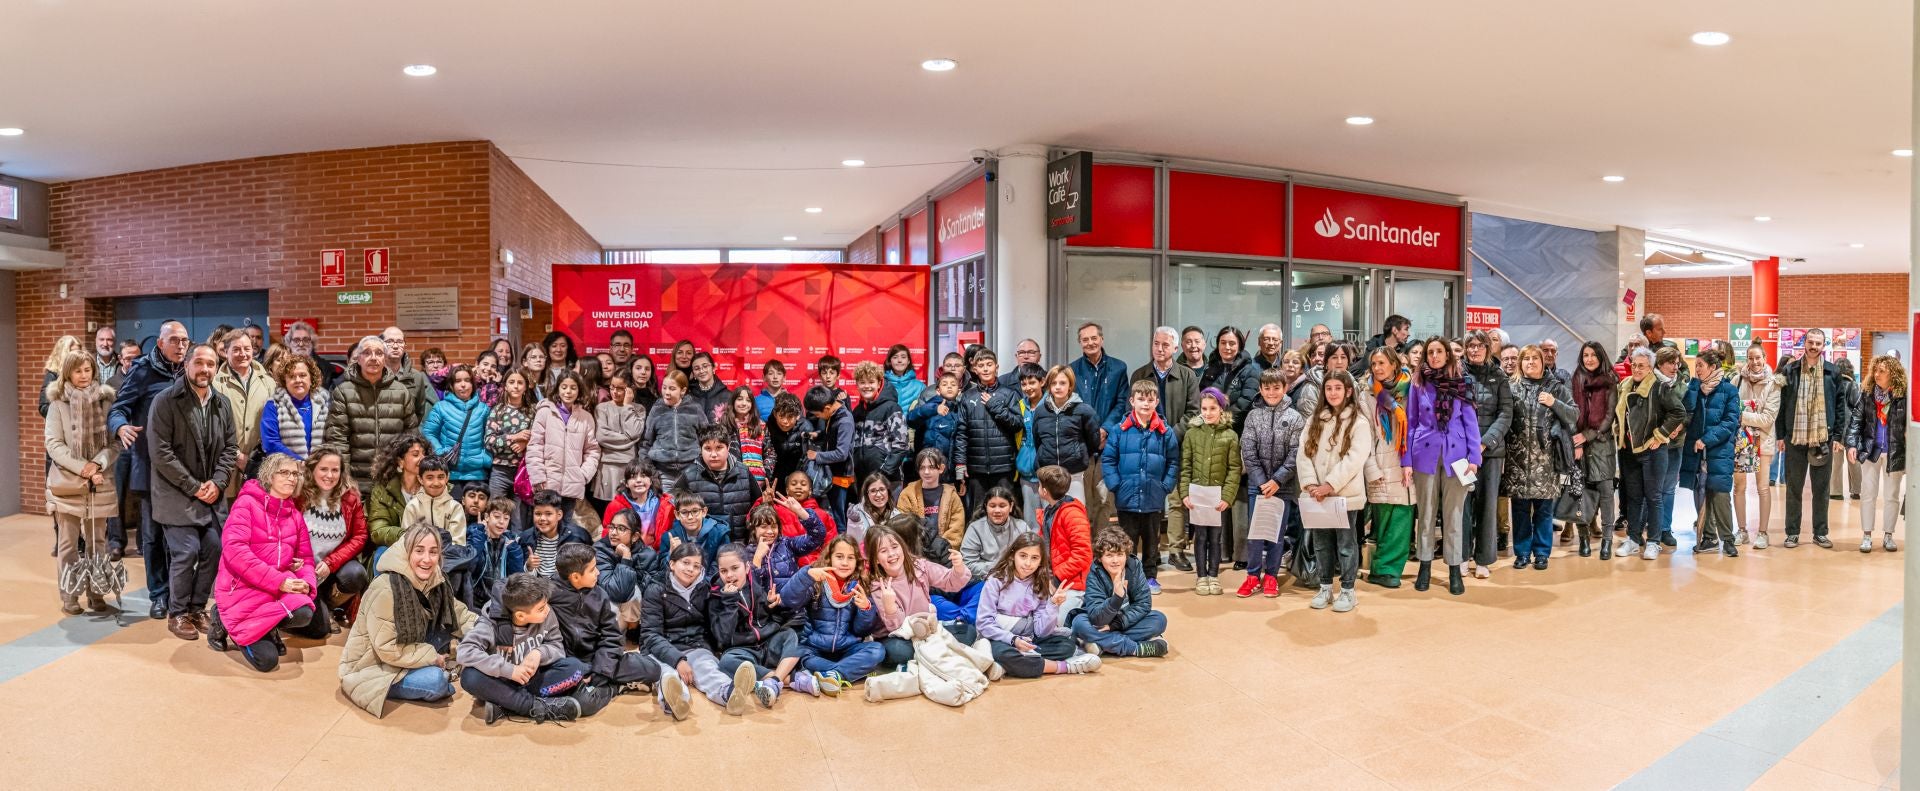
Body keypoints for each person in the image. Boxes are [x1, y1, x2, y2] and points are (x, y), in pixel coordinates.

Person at [149, 343, 239, 640]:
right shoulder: (165, 401)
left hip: (211, 494)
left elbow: (229, 448)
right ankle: (177, 613)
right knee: (186, 552)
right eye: (199, 362)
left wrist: (218, 482)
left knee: (214, 548)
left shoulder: (222, 403)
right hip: (176, 493)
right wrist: (194, 486)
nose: (205, 369)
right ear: (187, 364)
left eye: (211, 364)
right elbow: (161, 453)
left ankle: (198, 607)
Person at [339, 524, 476, 717]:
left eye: (433, 552)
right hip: (375, 666)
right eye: (419, 551)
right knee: (436, 682)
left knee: (470, 633)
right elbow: (387, 648)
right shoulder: (386, 588)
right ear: (406, 551)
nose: (427, 559)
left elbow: (459, 614)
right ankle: (436, 668)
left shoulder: (435, 578)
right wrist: (431, 657)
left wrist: (486, 632)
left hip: (411, 646)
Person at [204, 454, 319, 670]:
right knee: (267, 661)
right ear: (269, 475)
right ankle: (222, 617)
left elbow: (306, 559)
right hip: (242, 587)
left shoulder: (294, 513)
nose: (291, 478)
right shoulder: (246, 504)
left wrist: (306, 582)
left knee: (304, 612)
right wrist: (280, 581)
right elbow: (235, 551)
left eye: (295, 473)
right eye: (284, 472)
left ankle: (267, 626)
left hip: (273, 588)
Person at [548, 544, 683, 719]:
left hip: (598, 660)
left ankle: (606, 684)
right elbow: (502, 589)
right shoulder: (548, 593)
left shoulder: (599, 594)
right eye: (592, 569)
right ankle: (615, 688)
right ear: (575, 576)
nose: (598, 572)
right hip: (569, 665)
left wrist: (600, 671)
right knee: (584, 704)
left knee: (652, 669)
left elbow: (611, 636)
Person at [109, 319, 188, 617]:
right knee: (153, 536)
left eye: (184, 341)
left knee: (179, 536)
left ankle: (180, 593)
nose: (181, 346)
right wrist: (121, 427)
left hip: (183, 469)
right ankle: (159, 594)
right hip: (151, 467)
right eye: (175, 341)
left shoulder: (190, 370)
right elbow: (118, 408)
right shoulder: (143, 370)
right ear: (160, 344)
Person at [639, 541, 757, 716]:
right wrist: (678, 660)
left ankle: (729, 693)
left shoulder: (705, 588)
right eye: (685, 563)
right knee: (668, 674)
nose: (690, 569)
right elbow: (651, 635)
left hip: (695, 645)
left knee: (707, 667)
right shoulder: (655, 589)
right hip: (661, 648)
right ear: (672, 564)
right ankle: (677, 701)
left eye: (696, 566)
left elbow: (717, 626)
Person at [43, 350, 120, 614]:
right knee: (68, 543)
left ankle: (97, 592)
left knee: (98, 542)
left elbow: (115, 443)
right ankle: (70, 595)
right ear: (68, 373)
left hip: (100, 480)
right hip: (68, 481)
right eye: (78, 371)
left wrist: (97, 464)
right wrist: (83, 468)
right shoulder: (57, 404)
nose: (84, 375)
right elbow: (53, 444)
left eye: (88, 370)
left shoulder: (106, 402)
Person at [456, 573, 588, 724]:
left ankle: (506, 706)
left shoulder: (547, 614)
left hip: (532, 681)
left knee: (575, 668)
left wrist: (539, 653)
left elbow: (557, 646)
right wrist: (509, 670)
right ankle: (533, 707)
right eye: (540, 609)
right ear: (520, 615)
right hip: (501, 682)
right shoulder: (491, 623)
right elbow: (464, 651)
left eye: (546, 604)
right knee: (470, 677)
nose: (547, 610)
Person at [1404, 337, 1479, 596]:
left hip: (1457, 456)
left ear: (1448, 355)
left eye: (1439, 351)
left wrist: (1474, 458)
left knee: (1454, 516)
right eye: (1430, 352)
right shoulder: (1418, 383)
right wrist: (1406, 461)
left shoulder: (1463, 383)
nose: (1434, 356)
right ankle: (1424, 565)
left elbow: (1471, 422)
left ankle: (1454, 569)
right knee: (1425, 514)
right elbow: (1411, 422)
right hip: (1424, 453)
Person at [707, 543, 819, 706]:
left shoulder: (754, 583)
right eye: (724, 571)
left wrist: (770, 604)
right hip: (743, 650)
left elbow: (765, 618)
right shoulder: (716, 597)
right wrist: (729, 602)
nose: (729, 575)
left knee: (792, 636)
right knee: (726, 662)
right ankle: (791, 679)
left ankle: (773, 682)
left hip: (768, 643)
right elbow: (723, 637)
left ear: (746, 567)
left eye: (734, 568)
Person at [976, 533, 1101, 678]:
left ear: (1041, 561)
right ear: (1012, 555)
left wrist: (1053, 605)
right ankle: (1063, 666)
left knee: (1066, 646)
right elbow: (983, 623)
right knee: (1002, 653)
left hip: (1029, 639)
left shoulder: (1040, 583)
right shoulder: (996, 580)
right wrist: (1013, 639)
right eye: (1023, 556)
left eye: (1034, 558)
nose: (1028, 563)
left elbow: (1041, 631)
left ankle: (1010, 666)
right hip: (1002, 638)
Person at [1297, 369, 1371, 612]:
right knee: (1321, 544)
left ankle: (1348, 590)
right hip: (1316, 496)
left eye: (1338, 388)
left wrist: (1329, 485)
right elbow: (1303, 453)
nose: (1333, 393)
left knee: (1346, 545)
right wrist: (1310, 484)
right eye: (1329, 388)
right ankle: (1325, 586)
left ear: (1348, 391)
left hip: (1343, 497)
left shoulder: (1359, 422)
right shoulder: (1315, 420)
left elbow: (1355, 459)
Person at [1102, 380, 1180, 595]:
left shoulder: (1165, 432)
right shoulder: (1119, 430)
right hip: (1126, 496)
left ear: (1156, 402)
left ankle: (1150, 576)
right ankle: (1127, 576)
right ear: (1132, 401)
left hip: (1153, 496)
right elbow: (1108, 459)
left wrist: (1165, 485)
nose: (1145, 404)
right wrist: (1115, 484)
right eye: (1141, 399)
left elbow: (1173, 461)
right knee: (1127, 540)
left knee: (1151, 540)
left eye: (1150, 399)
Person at [1776, 329, 1850, 549]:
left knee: (1821, 489)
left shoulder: (1832, 372)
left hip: (1822, 439)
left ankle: (1820, 532)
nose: (1814, 346)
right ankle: (1792, 533)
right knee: (1793, 488)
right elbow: (1781, 405)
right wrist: (1781, 435)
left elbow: (1839, 407)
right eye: (1811, 342)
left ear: (1823, 346)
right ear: (1804, 343)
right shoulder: (1790, 371)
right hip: (1795, 438)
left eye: (1818, 343)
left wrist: (1838, 436)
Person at [865, 520, 975, 669]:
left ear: (902, 547)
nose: (891, 554)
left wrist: (958, 567)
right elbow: (896, 627)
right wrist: (889, 606)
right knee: (899, 651)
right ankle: (933, 653)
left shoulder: (919, 566)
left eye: (894, 547)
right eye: (883, 551)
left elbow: (950, 583)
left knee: (968, 632)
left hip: (925, 631)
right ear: (876, 559)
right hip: (897, 636)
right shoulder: (877, 585)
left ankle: (927, 653)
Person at [778, 536, 883, 688]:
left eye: (850, 558)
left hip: (847, 650)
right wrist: (806, 576)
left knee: (877, 650)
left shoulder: (860, 586)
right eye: (839, 557)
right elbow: (787, 599)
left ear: (857, 562)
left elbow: (861, 631)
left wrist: (865, 609)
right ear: (830, 558)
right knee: (802, 656)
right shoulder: (816, 580)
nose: (845, 563)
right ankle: (843, 673)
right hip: (814, 649)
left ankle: (828, 675)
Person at [1506, 345, 1577, 569]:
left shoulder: (1556, 387)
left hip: (1546, 460)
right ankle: (1522, 552)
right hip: (1517, 460)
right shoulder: (1512, 387)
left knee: (1544, 510)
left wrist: (1554, 403)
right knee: (1519, 510)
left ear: (1542, 361)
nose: (1530, 362)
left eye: (1534, 358)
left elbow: (1574, 414)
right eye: (1525, 358)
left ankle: (1542, 552)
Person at [1616, 347, 1688, 560]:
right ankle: (1633, 539)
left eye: (1642, 366)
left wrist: (1659, 435)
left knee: (1654, 497)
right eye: (1634, 365)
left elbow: (1678, 413)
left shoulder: (1659, 387)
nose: (1637, 369)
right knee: (1634, 497)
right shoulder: (1625, 385)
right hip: (1629, 451)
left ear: (1650, 368)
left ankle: (1654, 542)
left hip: (1653, 452)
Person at [1237, 367, 1303, 598]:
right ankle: (1253, 575)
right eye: (1267, 388)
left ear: (1285, 388)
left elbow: (1296, 454)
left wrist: (1277, 480)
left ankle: (1272, 576)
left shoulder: (1295, 418)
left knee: (1276, 532)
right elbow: (1248, 450)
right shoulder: (1254, 416)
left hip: (1282, 487)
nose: (1272, 392)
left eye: (1277, 388)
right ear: (1260, 389)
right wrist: (1262, 482)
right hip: (1258, 487)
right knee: (1256, 532)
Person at [326, 335, 422, 490]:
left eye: (379, 353)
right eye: (367, 353)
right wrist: (343, 477)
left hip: (393, 479)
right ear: (358, 358)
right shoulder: (343, 392)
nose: (373, 357)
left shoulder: (401, 391)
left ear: (385, 358)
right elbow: (337, 439)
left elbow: (411, 436)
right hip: (356, 481)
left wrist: (407, 473)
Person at [1460, 330, 1515, 577]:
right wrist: (1467, 445)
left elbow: (1506, 413)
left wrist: (1483, 444)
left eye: (1479, 346)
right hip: (1460, 453)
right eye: (1470, 346)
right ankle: (1460, 557)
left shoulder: (1499, 377)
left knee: (1487, 505)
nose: (1474, 350)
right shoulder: (1457, 375)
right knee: (1462, 506)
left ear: (1488, 348)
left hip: (1490, 453)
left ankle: (1483, 559)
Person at [1069, 525, 1170, 658]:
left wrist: (1116, 625)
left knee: (1159, 619)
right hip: (1100, 622)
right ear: (1100, 558)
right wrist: (1117, 597)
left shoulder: (1134, 566)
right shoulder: (1095, 573)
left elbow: (1143, 604)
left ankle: (1102, 644)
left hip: (1124, 622)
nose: (1115, 561)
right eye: (1109, 555)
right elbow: (1096, 617)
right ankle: (1136, 648)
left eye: (1120, 554)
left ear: (1126, 555)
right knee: (1079, 623)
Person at [1359, 346, 1415, 586]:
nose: (1378, 368)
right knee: (1383, 521)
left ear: (1394, 364)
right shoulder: (1367, 395)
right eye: (1374, 364)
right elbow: (1365, 435)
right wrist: (1371, 468)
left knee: (1402, 518)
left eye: (1382, 363)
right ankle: (1380, 569)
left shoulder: (1412, 390)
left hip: (1406, 465)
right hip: (1381, 464)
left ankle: (1390, 570)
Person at [1179, 388, 1240, 595]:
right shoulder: (1191, 434)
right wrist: (1185, 493)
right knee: (1200, 537)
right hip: (1197, 496)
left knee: (1216, 538)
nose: (1207, 413)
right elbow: (1185, 465)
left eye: (1212, 408)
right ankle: (1201, 576)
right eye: (1204, 408)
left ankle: (1214, 575)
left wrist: (1227, 496)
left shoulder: (1230, 436)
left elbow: (1234, 469)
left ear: (1221, 409)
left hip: (1217, 499)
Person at [299, 447, 370, 626]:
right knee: (319, 628)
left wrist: (331, 563)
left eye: (335, 470)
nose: (329, 475)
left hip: (331, 569)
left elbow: (360, 535)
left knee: (356, 574)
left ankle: (329, 605)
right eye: (323, 469)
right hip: (301, 570)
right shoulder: (298, 494)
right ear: (312, 469)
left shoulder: (350, 497)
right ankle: (316, 609)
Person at [1682, 349, 1742, 557]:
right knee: (1700, 494)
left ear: (1713, 367)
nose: (1696, 369)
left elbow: (1730, 422)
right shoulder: (1695, 388)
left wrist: (1706, 439)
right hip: (1696, 452)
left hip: (1719, 451)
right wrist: (1692, 388)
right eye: (1695, 365)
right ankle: (1708, 538)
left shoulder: (1729, 391)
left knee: (1720, 495)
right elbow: (1686, 410)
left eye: (1700, 365)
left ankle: (1728, 539)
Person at [1072, 322, 1131, 526]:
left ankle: (1101, 548)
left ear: (1102, 339)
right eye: (1085, 339)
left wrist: (1105, 429)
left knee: (1105, 499)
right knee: (1083, 499)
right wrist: (1091, 433)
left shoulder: (1119, 368)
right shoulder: (1073, 370)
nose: (1090, 343)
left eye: (1094, 338)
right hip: (1082, 444)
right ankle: (1085, 549)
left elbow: (1122, 402)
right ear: (1080, 343)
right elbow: (1074, 405)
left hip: (1109, 443)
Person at [952, 350, 1021, 519]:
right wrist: (960, 464)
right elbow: (961, 433)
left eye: (989, 365)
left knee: (1006, 510)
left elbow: (1017, 424)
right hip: (976, 467)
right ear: (974, 369)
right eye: (981, 365)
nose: (985, 369)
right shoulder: (967, 397)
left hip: (1004, 466)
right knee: (978, 512)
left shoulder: (1009, 394)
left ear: (996, 367)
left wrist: (994, 406)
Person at [1848, 354, 1906, 553]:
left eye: (1882, 370)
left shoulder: (1902, 396)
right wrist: (1851, 444)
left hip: (1894, 452)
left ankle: (1889, 535)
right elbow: (1856, 420)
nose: (1877, 374)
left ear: (1893, 374)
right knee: (1868, 494)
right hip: (1871, 450)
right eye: (1876, 370)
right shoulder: (1867, 394)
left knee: (1892, 496)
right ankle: (1866, 535)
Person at [1569, 342, 1621, 559]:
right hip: (1579, 448)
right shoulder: (1576, 379)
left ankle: (1607, 540)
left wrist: (1587, 436)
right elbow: (1570, 412)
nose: (1589, 359)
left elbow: (1609, 417)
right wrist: (1577, 442)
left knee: (1607, 494)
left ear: (1601, 357)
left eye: (1593, 355)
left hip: (1602, 446)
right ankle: (1583, 538)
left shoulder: (1610, 382)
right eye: (1585, 355)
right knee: (1580, 494)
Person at [526, 370, 600, 520]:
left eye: (573, 387)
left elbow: (592, 450)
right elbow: (535, 446)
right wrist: (538, 475)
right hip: (546, 484)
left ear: (579, 390)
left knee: (565, 529)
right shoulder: (545, 412)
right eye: (564, 387)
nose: (568, 391)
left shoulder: (586, 417)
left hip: (572, 485)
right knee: (544, 527)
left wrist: (583, 475)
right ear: (557, 388)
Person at [210, 331, 273, 491]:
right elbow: (213, 427)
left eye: (247, 349)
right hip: (225, 466)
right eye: (236, 349)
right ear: (225, 352)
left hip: (260, 466)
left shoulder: (268, 382)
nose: (243, 354)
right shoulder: (215, 385)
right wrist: (238, 456)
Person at [1735, 346, 1781, 548]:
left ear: (1765, 358)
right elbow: (1730, 406)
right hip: (1740, 442)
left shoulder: (1774, 384)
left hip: (1763, 442)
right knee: (1739, 487)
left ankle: (1763, 533)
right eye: (1750, 358)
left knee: (1763, 487)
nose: (1754, 362)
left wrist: (1741, 416)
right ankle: (1742, 530)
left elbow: (1768, 418)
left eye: (1758, 358)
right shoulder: (1736, 380)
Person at [420, 364, 493, 490]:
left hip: (478, 475)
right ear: (452, 385)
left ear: (473, 384)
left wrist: (485, 459)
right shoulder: (441, 407)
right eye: (458, 381)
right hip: (450, 474)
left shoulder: (483, 409)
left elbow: (491, 436)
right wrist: (439, 452)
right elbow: (428, 432)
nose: (463, 385)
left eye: (467, 380)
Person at [679, 423, 756, 541]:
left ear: (728, 447)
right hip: (703, 545)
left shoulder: (744, 472)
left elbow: (757, 507)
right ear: (700, 449)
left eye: (719, 448)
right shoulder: (689, 475)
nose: (713, 454)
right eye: (708, 449)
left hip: (740, 543)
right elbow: (678, 513)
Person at [641, 371, 711, 492]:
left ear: (682, 391)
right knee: (667, 508)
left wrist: (702, 465)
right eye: (664, 388)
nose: (667, 392)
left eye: (672, 389)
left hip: (691, 471)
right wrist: (650, 471)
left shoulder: (694, 409)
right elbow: (646, 442)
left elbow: (706, 438)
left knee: (690, 507)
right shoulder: (656, 409)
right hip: (663, 473)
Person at [592, 372, 647, 517]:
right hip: (607, 465)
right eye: (612, 387)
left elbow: (634, 433)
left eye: (620, 388)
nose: (615, 392)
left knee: (628, 510)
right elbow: (602, 436)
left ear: (630, 389)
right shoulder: (602, 408)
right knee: (607, 511)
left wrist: (627, 406)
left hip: (628, 465)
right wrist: (627, 440)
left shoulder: (639, 409)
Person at [851, 362, 912, 485]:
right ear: (857, 385)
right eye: (862, 382)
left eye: (871, 382)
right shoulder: (857, 411)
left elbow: (901, 445)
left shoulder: (892, 408)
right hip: (862, 479)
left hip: (887, 479)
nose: (866, 386)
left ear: (879, 383)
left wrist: (884, 473)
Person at [259, 353, 329, 461]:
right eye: (291, 376)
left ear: (311, 378)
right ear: (284, 381)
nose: (297, 380)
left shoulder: (325, 402)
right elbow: (270, 443)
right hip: (287, 470)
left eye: (302, 375)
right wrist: (300, 463)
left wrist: (318, 464)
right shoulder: (273, 404)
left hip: (320, 469)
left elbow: (333, 439)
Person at [804, 384, 857, 525]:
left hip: (841, 477)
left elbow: (841, 454)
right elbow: (831, 436)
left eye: (817, 415)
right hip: (831, 474)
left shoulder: (845, 421)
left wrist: (816, 456)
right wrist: (818, 434)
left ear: (827, 408)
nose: (817, 417)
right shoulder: (833, 414)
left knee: (839, 519)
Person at [482, 369, 536, 502]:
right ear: (505, 386)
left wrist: (526, 443)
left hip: (523, 471)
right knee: (495, 510)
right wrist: (514, 437)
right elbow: (489, 441)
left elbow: (540, 439)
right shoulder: (498, 411)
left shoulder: (532, 411)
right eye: (512, 382)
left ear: (526, 386)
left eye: (520, 382)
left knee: (519, 519)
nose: (516, 386)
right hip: (500, 471)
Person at [366, 434, 429, 549]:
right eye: (416, 454)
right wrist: (409, 535)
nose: (423, 458)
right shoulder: (382, 490)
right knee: (382, 553)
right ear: (400, 462)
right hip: (394, 545)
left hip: (429, 547)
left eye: (424, 453)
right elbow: (378, 531)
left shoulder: (435, 487)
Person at [470, 497, 526, 610]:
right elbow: (471, 565)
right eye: (497, 516)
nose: (501, 522)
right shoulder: (476, 537)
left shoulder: (512, 543)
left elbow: (517, 577)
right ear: (486, 517)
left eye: (506, 518)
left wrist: (514, 551)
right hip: (476, 600)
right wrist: (479, 535)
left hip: (501, 602)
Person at [603, 459, 675, 547]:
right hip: (625, 551)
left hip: (657, 553)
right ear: (626, 483)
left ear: (650, 481)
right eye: (633, 477)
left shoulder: (665, 505)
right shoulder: (615, 506)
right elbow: (607, 532)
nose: (638, 480)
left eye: (643, 476)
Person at [906, 372, 964, 478]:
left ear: (959, 391)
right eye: (945, 384)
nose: (949, 387)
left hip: (951, 470)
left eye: (953, 384)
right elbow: (911, 419)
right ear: (938, 391)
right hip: (928, 468)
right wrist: (934, 409)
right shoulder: (928, 407)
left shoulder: (961, 411)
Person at [377, 327, 437, 423]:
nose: (395, 346)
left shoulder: (416, 377)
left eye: (400, 342)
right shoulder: (373, 374)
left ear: (405, 345)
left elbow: (419, 412)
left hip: (406, 435)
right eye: (390, 341)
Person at [401, 457, 464, 540]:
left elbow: (457, 543)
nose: (436, 483)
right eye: (430, 478)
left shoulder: (455, 508)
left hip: (449, 552)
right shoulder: (412, 507)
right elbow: (407, 540)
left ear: (447, 478)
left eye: (440, 477)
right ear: (420, 479)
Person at [664, 491, 729, 570]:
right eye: (684, 512)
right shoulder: (669, 538)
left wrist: (702, 581)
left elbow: (723, 565)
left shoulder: (719, 534)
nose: (690, 517)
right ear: (677, 515)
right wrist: (671, 554)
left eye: (695, 511)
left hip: (710, 581)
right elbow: (662, 570)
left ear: (704, 512)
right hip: (681, 581)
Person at [1833, 357, 1865, 502]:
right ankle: (1856, 490)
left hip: (1836, 428)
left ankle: (1835, 491)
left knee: (1836, 462)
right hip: (1851, 428)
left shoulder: (1832, 384)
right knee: (1854, 460)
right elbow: (1858, 407)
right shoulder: (1852, 385)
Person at [846, 471, 897, 543]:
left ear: (888, 491)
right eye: (873, 491)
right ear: (867, 494)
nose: (878, 495)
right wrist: (855, 523)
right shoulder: (857, 513)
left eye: (882, 489)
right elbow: (854, 543)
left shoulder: (896, 514)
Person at [883, 344, 926, 412]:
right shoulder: (881, 385)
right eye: (895, 357)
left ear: (908, 361)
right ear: (890, 361)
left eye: (903, 357)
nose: (899, 360)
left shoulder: (920, 387)